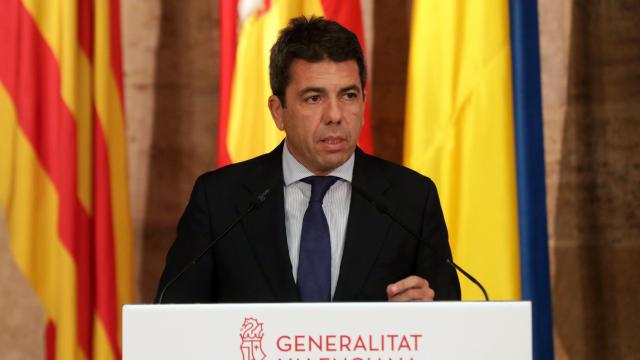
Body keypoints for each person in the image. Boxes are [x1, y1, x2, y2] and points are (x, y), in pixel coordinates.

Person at [156, 16, 460, 303]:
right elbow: (172, 320)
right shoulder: (220, 201)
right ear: (278, 111)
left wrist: (429, 315)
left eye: (348, 95)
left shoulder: (411, 200)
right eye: (314, 98)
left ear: (364, 103)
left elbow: (451, 328)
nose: (335, 115)